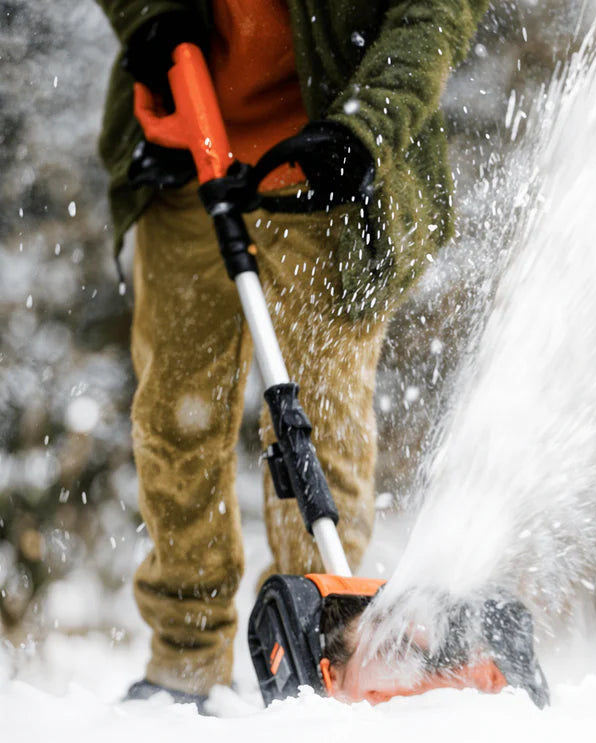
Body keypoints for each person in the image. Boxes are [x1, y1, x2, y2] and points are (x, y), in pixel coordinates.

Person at [95, 0, 490, 704]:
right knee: (178, 420)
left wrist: (366, 129)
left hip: (330, 166)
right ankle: (186, 662)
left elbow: (437, 9)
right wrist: (149, 15)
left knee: (321, 424)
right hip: (186, 156)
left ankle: (324, 653)